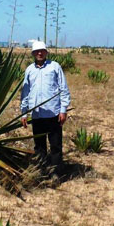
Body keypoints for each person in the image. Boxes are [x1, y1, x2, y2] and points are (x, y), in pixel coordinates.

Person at [21, 40, 70, 174]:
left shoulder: (55, 67)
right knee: (39, 146)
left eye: (42, 51)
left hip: (53, 113)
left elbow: (63, 89)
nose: (40, 53)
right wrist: (24, 112)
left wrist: (63, 110)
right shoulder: (29, 70)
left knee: (55, 145)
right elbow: (25, 92)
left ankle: (56, 173)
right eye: (37, 51)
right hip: (36, 114)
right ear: (33, 53)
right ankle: (41, 172)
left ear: (46, 52)